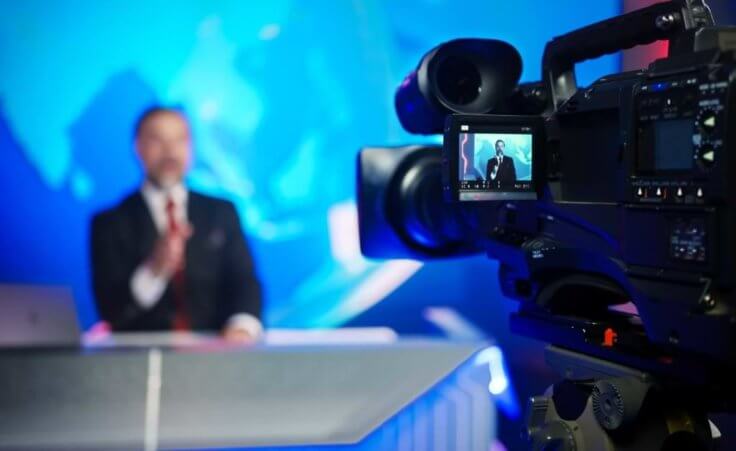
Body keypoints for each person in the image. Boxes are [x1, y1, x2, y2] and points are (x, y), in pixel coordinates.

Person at [90, 106, 262, 341]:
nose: (170, 151)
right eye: (158, 140)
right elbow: (113, 310)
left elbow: (244, 281)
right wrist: (155, 269)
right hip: (138, 361)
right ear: (138, 147)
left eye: (179, 140)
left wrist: (242, 326)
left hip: (215, 356)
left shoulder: (221, 212)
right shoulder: (110, 224)